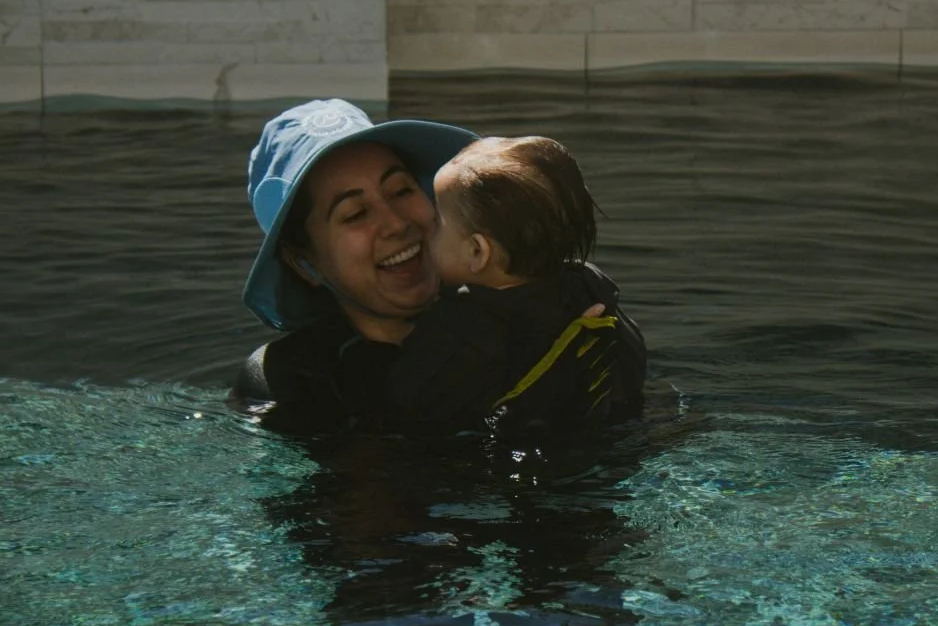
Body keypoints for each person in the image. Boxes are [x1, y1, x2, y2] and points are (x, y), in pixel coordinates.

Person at [230, 99, 645, 437]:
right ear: (303, 262)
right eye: (355, 213)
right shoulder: (293, 381)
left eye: (402, 190)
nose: (397, 223)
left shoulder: (562, 304)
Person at [389, 136, 646, 433]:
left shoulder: (455, 331)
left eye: (436, 222)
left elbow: (406, 406)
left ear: (477, 252)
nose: (425, 230)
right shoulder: (594, 291)